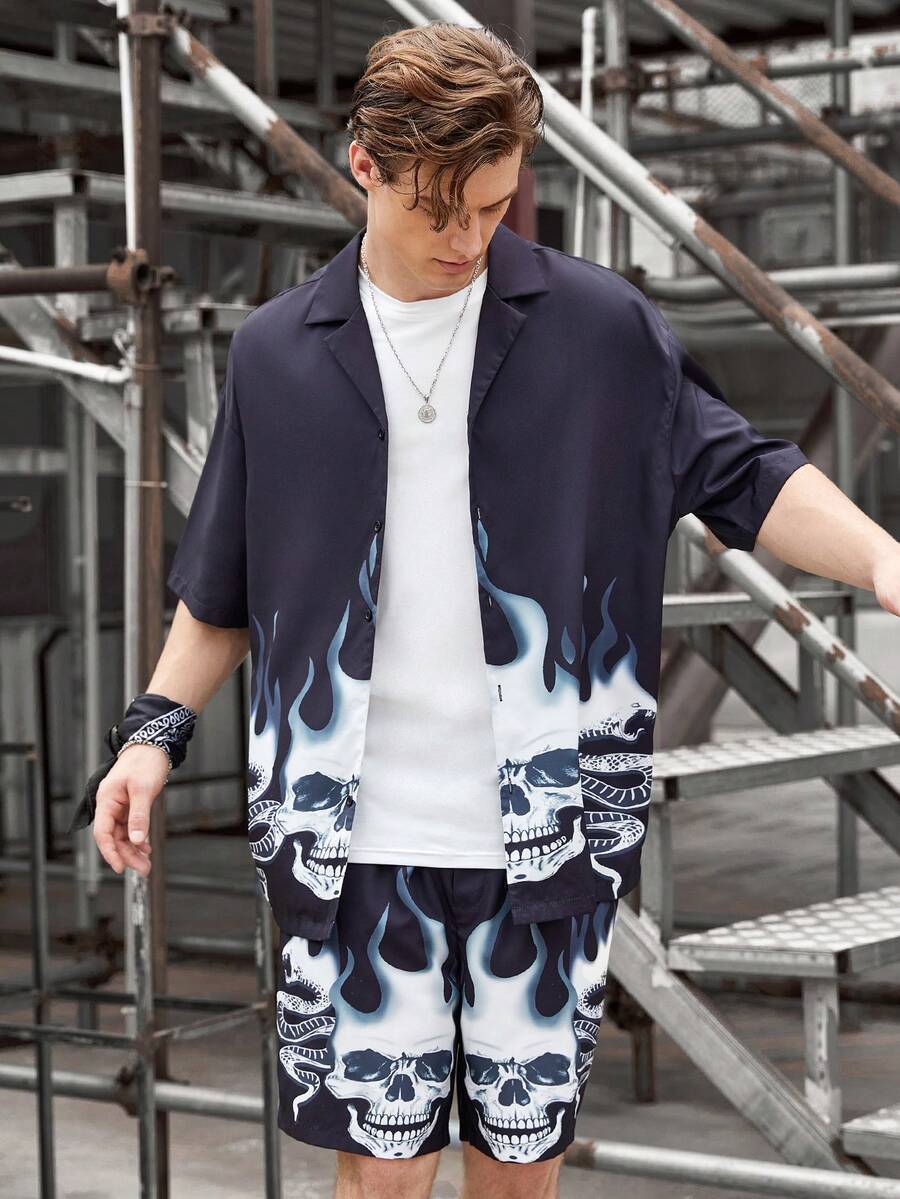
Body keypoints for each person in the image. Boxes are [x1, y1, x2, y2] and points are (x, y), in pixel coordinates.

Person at [74, 20, 900, 1199]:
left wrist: (881, 560)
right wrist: (151, 738)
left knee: (519, 1172)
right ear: (364, 164)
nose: (469, 240)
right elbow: (223, 588)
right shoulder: (276, 354)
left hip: (549, 833)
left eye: (494, 207)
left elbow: (743, 471)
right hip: (348, 843)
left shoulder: (601, 330)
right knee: (383, 1172)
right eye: (440, 211)